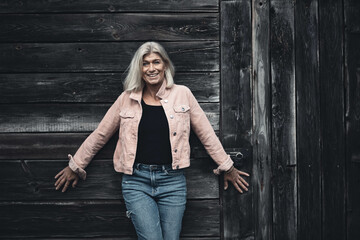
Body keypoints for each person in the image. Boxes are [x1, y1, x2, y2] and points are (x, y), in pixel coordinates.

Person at [54, 42, 250, 240]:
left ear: (165, 65)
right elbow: (101, 134)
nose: (151, 68)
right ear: (139, 69)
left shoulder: (183, 94)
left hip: (173, 181)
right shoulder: (126, 98)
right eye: (145, 63)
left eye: (156, 62)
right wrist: (76, 164)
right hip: (136, 181)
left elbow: (206, 134)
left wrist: (227, 166)